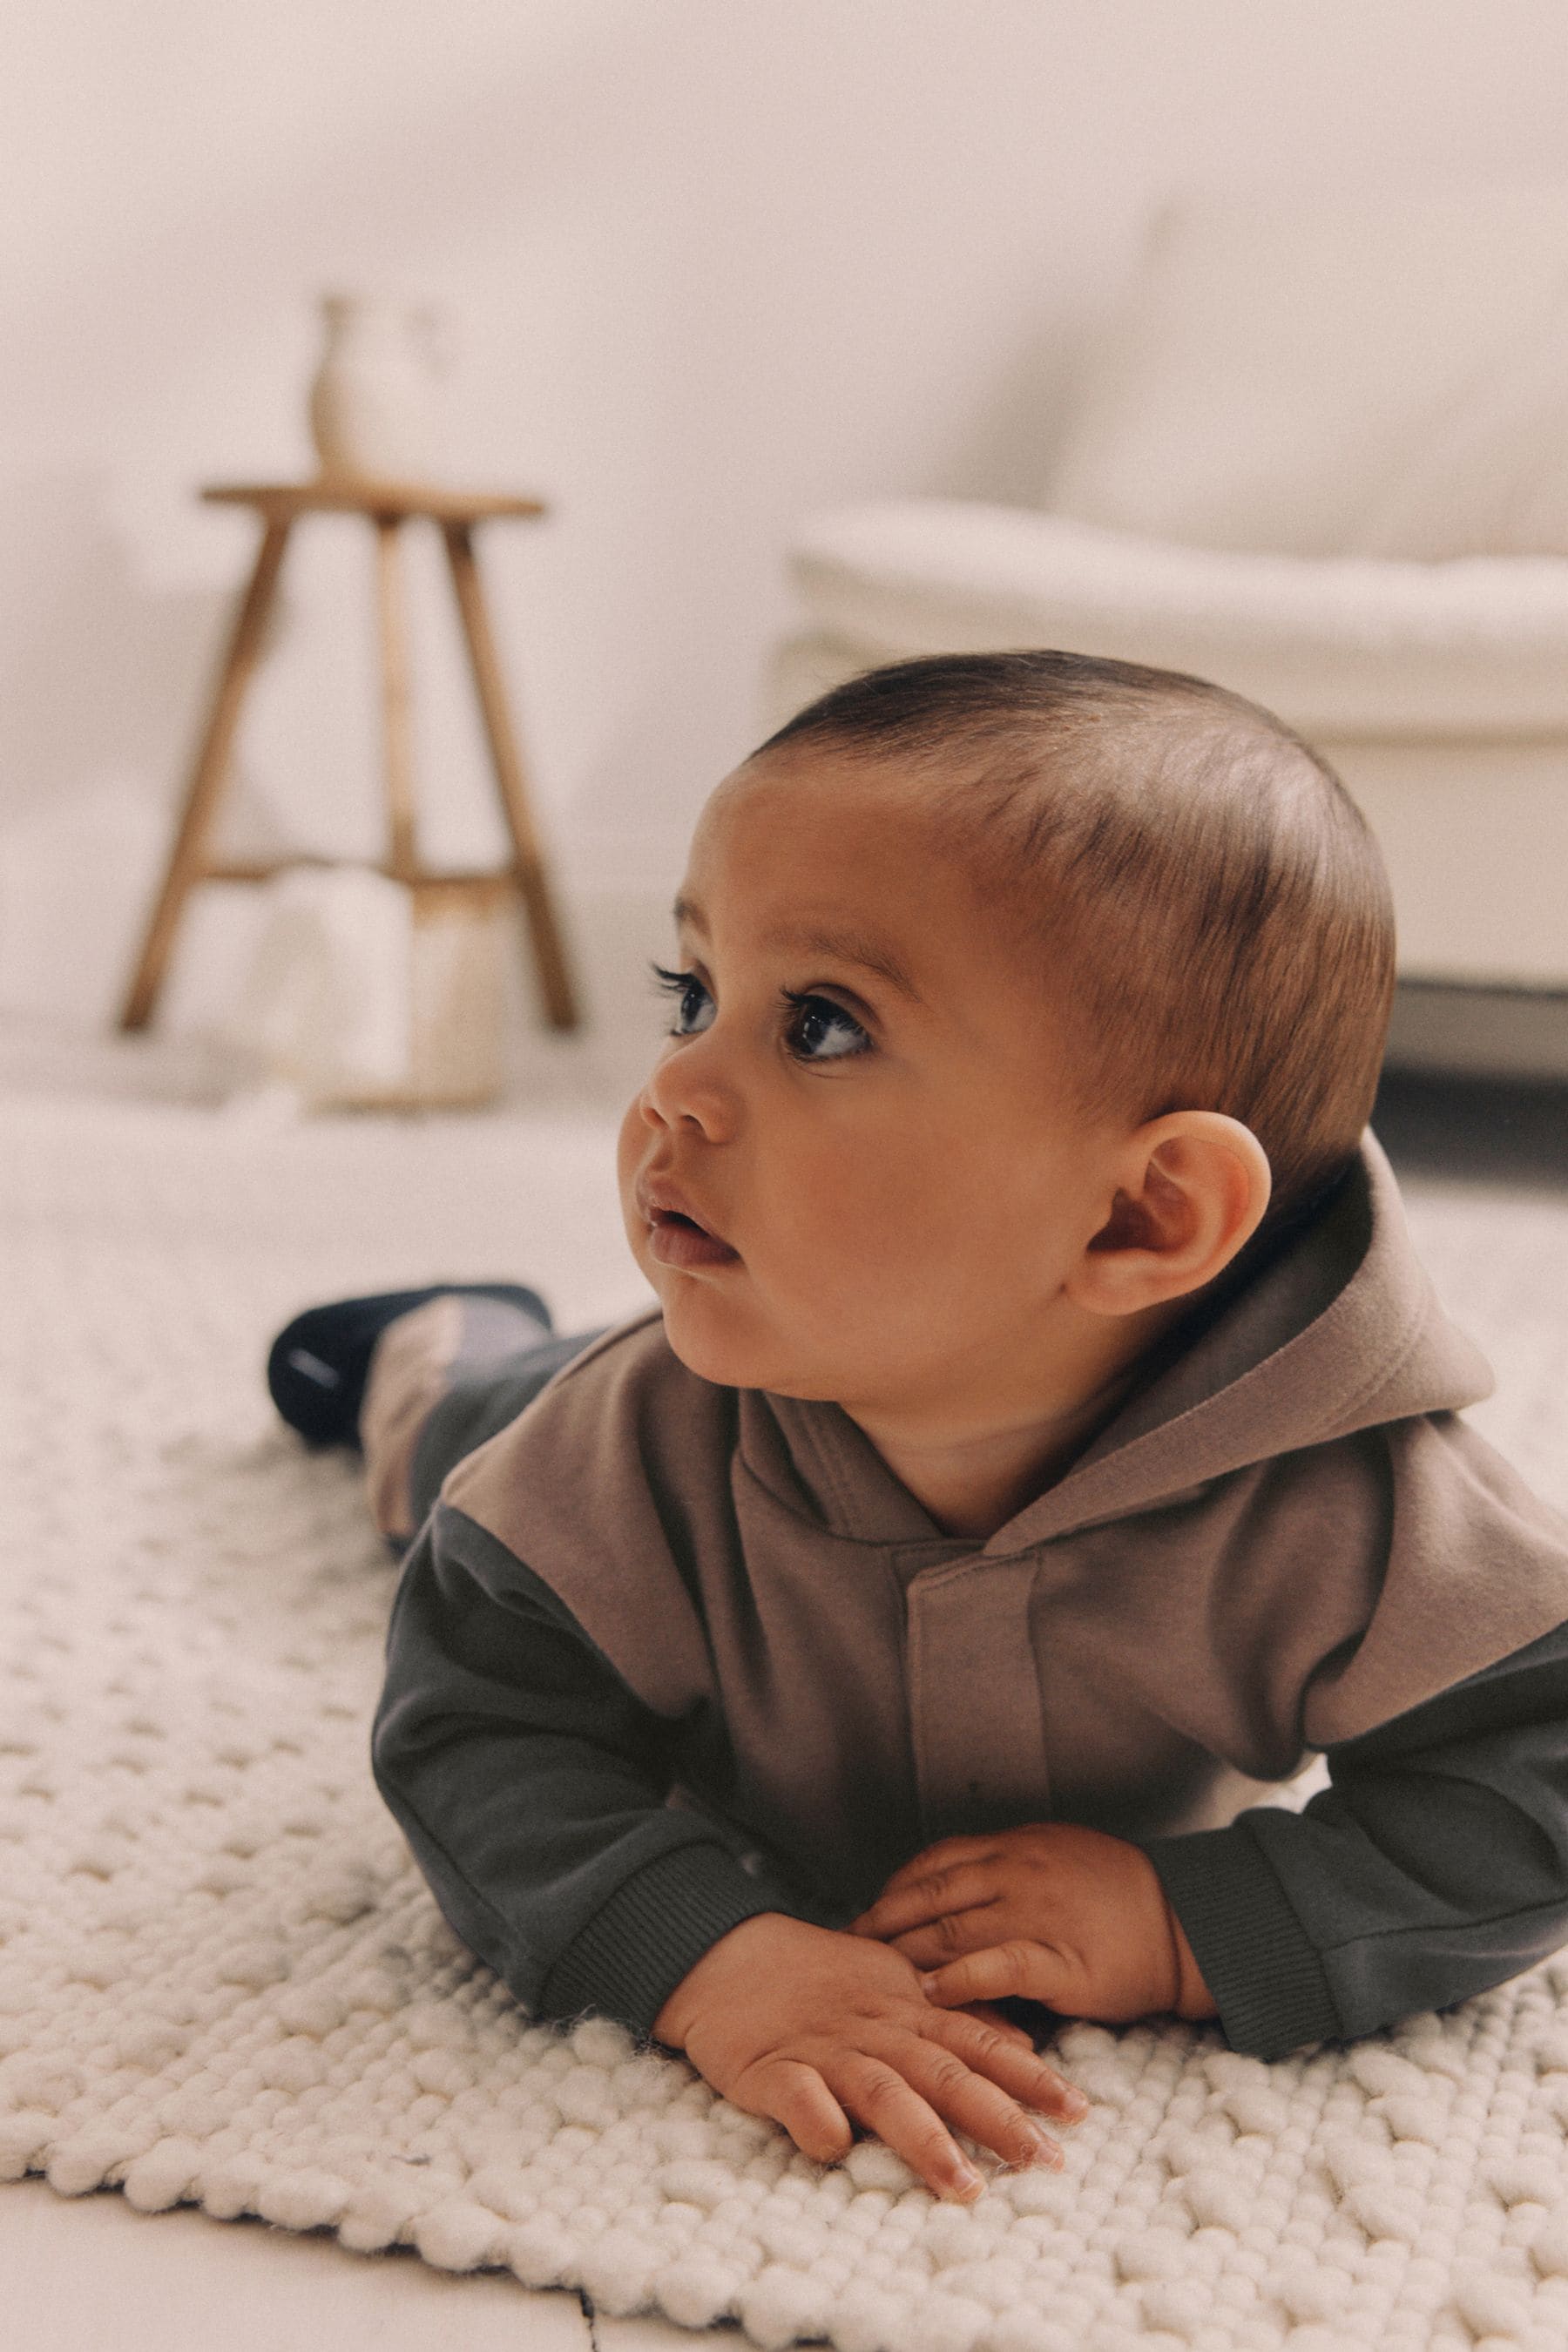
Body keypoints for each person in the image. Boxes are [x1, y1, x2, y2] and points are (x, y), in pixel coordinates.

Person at [268, 652, 1568, 2207]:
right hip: (566, 1399)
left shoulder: (1356, 1499)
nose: (676, 1087)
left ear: (1146, 1214)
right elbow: (478, 1726)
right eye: (695, 994)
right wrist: (709, 1954)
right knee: (447, 1447)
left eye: (818, 1026)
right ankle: (439, 1342)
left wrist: (1189, 1920)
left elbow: (1537, 1771)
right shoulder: (616, 1456)